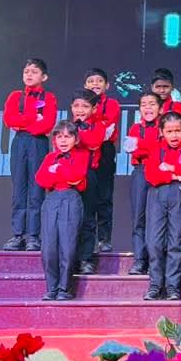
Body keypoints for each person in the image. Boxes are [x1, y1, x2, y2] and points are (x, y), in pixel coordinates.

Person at [2, 58, 58, 251]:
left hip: (38, 143)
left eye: (34, 72)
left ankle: (33, 236)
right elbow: (10, 119)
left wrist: (26, 122)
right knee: (19, 188)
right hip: (20, 142)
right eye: (26, 71)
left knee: (36, 189)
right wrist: (33, 120)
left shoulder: (48, 98)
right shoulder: (15, 96)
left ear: (44, 77)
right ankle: (18, 234)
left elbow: (48, 123)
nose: (29, 75)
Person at [142, 112, 181, 301]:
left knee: (176, 240)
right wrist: (174, 175)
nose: (174, 135)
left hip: (179, 194)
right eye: (169, 131)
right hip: (157, 194)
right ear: (161, 132)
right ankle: (155, 285)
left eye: (177, 131)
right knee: (154, 241)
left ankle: (173, 286)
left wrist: (170, 168)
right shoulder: (155, 149)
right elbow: (151, 175)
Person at [35, 120, 89, 301]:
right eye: (59, 137)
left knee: (67, 246)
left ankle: (64, 288)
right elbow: (41, 179)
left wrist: (57, 169)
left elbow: (76, 177)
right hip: (52, 200)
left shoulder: (81, 155)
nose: (63, 141)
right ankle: (51, 287)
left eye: (67, 136)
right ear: (54, 140)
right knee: (49, 247)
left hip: (70, 199)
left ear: (76, 139)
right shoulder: (49, 158)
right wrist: (56, 172)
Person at [123, 91, 162, 275]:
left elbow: (160, 149)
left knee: (158, 219)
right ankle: (140, 260)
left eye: (152, 104)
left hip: (160, 171)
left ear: (160, 108)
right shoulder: (135, 129)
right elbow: (133, 150)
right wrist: (149, 147)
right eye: (144, 104)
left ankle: (157, 260)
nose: (148, 108)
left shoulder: (165, 128)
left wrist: (142, 145)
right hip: (141, 172)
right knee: (139, 217)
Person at [71, 89, 107, 275]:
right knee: (69, 218)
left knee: (87, 217)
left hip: (88, 174)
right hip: (67, 176)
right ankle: (68, 257)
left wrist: (78, 132)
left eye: (85, 106)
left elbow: (93, 142)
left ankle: (85, 258)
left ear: (94, 109)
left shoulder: (98, 126)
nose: (80, 110)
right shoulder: (66, 126)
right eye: (76, 106)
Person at [85, 68, 120, 253]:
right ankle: (87, 239)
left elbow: (108, 126)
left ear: (107, 85)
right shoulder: (81, 103)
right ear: (85, 85)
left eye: (99, 81)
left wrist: (94, 123)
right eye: (91, 81)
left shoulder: (112, 104)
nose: (95, 84)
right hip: (85, 151)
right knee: (87, 196)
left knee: (104, 196)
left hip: (105, 150)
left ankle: (104, 239)